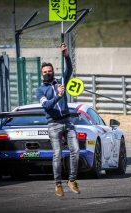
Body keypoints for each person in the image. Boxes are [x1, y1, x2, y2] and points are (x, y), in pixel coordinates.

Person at [36, 42, 80, 196]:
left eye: (50, 71)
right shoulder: (40, 90)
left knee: (75, 150)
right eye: (45, 72)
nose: (47, 73)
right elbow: (47, 106)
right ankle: (57, 183)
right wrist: (58, 96)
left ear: (53, 72)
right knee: (57, 154)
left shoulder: (61, 82)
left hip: (67, 121)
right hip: (53, 124)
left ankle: (72, 179)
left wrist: (66, 54)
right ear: (41, 74)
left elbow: (69, 69)